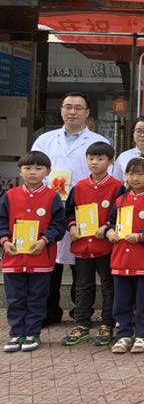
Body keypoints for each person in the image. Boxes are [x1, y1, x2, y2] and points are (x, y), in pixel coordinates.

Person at [31, 92, 109, 326]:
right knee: (50, 260)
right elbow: (33, 168)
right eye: (67, 107)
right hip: (49, 208)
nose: (72, 112)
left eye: (77, 108)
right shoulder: (45, 139)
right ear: (61, 110)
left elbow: (106, 175)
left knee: (81, 261)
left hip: (84, 209)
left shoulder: (98, 142)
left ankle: (80, 311)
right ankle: (49, 311)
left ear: (87, 113)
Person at [1, 151, 67, 353]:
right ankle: (16, 333)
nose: (32, 172)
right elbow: (1, 221)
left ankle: (32, 333)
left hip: (41, 259)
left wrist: (44, 240)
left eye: (38, 168)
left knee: (37, 298)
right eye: (28, 168)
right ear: (19, 171)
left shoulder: (52, 197)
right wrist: (4, 241)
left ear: (48, 171)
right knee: (15, 299)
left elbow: (59, 225)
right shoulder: (10, 196)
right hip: (14, 258)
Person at [62, 142, 123, 347]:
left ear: (111, 161)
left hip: (106, 247)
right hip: (82, 247)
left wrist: (108, 227)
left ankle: (107, 324)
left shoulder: (117, 187)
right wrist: (71, 226)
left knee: (108, 287)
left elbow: (122, 214)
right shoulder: (79, 187)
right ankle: (81, 324)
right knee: (82, 286)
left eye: (100, 159)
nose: (94, 162)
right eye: (91, 158)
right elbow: (69, 212)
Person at [104, 157, 144, 354]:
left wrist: (140, 236)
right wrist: (109, 232)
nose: (135, 178)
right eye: (131, 174)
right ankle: (123, 334)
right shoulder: (120, 200)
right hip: (121, 259)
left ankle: (142, 334)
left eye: (140, 174)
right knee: (121, 300)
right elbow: (110, 223)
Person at [113, 115, 144, 184]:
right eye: (138, 131)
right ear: (133, 133)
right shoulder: (123, 156)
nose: (142, 135)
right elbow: (116, 182)